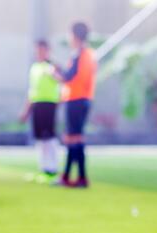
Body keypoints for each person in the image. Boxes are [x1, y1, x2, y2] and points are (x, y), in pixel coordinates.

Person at [55, 22, 97, 188]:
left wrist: (56, 74)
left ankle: (80, 177)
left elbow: (69, 77)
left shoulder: (79, 54)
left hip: (76, 100)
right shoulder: (88, 54)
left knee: (74, 138)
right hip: (84, 99)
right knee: (73, 138)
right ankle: (69, 175)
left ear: (75, 36)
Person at [20, 39, 61, 182]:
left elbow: (62, 81)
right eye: (38, 50)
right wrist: (26, 110)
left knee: (50, 137)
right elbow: (32, 90)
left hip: (49, 104)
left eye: (43, 49)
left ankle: (53, 168)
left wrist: (54, 73)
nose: (40, 52)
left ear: (48, 50)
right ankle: (44, 169)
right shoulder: (35, 68)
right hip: (37, 104)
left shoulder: (53, 66)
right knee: (40, 138)